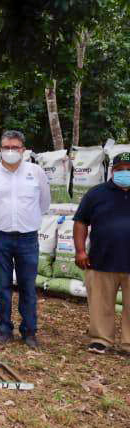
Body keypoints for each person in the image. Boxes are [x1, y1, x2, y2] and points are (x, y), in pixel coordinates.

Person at [0, 130, 50, 349]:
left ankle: (29, 331)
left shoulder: (35, 172)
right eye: (6, 147)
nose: (10, 152)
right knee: (2, 285)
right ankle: (4, 329)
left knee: (28, 286)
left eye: (15, 148)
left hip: (28, 238)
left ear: (23, 149)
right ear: (0, 149)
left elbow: (44, 203)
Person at [74, 151, 130, 355]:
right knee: (100, 302)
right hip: (101, 260)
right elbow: (81, 222)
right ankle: (101, 339)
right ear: (112, 171)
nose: (125, 173)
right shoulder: (96, 194)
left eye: (129, 170)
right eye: (120, 169)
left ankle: (128, 343)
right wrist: (80, 251)